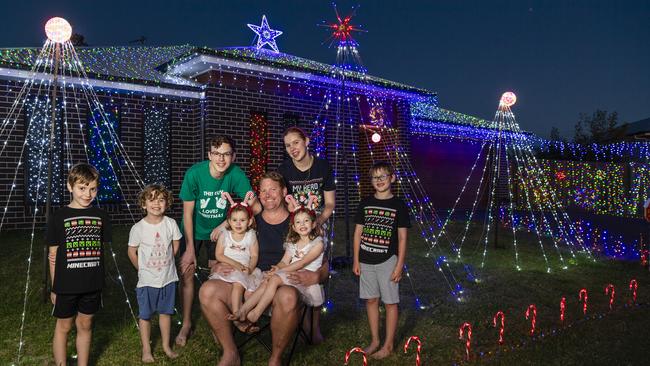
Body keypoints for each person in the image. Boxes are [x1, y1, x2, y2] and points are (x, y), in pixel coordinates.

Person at [199, 172, 328, 366]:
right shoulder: (249, 220)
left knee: (287, 297)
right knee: (207, 291)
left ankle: (275, 358)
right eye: (263, 190)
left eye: (273, 189)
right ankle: (230, 352)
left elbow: (324, 262)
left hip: (284, 280)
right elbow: (229, 243)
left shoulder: (301, 222)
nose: (267, 195)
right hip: (249, 276)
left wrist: (317, 275)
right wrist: (220, 263)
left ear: (284, 192)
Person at [176, 136, 261, 345]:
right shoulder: (194, 174)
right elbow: (187, 213)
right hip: (194, 230)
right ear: (209, 155)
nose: (221, 159)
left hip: (219, 233)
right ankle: (186, 323)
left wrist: (225, 224)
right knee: (187, 272)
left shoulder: (236, 173)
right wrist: (189, 249)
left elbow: (256, 207)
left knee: (218, 274)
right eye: (216, 153)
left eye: (226, 154)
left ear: (233, 156)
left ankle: (219, 324)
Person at [47, 163, 111, 366]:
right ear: (70, 186)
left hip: (92, 284)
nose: (87, 193)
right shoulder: (58, 217)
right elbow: (53, 255)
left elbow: (100, 250)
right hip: (66, 285)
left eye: (92, 188)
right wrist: (55, 286)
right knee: (64, 326)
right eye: (82, 188)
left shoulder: (101, 216)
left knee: (86, 323)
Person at [352, 161, 411, 359]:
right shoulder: (365, 203)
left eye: (383, 176)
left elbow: (403, 237)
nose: (379, 180)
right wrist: (356, 260)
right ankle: (376, 340)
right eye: (375, 177)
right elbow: (357, 233)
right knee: (371, 300)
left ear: (392, 178)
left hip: (388, 261)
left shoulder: (399, 205)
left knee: (390, 302)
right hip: (366, 260)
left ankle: (388, 345)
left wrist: (399, 264)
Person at [235, 195, 324, 324]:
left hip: (304, 280)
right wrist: (277, 268)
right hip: (292, 274)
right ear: (293, 227)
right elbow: (284, 261)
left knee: (275, 278)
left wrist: (279, 273)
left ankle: (256, 313)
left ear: (314, 223)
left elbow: (302, 263)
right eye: (298, 222)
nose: (302, 225)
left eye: (306, 221)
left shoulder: (317, 243)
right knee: (267, 280)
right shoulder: (293, 243)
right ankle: (244, 310)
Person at [127, 184, 181, 363]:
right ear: (144, 204)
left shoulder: (171, 223)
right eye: (151, 200)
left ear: (167, 203)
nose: (156, 204)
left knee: (166, 313)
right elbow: (131, 251)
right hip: (147, 282)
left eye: (161, 200)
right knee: (145, 315)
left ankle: (166, 346)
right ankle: (146, 349)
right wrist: (141, 268)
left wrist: (168, 262)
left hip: (168, 279)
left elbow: (175, 244)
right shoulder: (138, 228)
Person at [209, 191, 263, 333]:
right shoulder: (225, 235)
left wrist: (250, 268)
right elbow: (219, 255)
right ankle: (237, 317)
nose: (238, 224)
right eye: (234, 220)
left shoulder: (250, 235)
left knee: (248, 289)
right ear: (229, 221)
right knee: (238, 285)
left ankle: (248, 318)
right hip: (229, 266)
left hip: (245, 268)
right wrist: (236, 265)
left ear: (249, 221)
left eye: (242, 220)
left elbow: (254, 255)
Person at [277, 126, 335, 228]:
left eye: (296, 142)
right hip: (295, 220)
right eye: (288, 145)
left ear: (306, 141)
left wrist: (318, 222)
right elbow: (280, 202)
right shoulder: (283, 170)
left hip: (319, 218)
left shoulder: (324, 167)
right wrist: (287, 207)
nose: (292, 148)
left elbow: (330, 203)